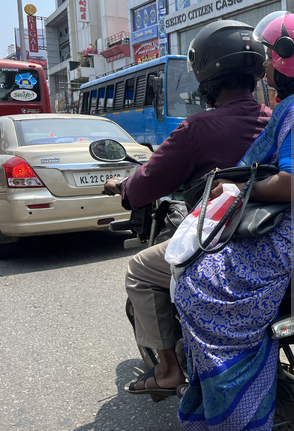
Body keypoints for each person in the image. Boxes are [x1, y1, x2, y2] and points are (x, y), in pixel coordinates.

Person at [172, 11, 294, 431]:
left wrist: (242, 191)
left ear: (287, 62)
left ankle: (238, 402)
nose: (265, 67)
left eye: (270, 56)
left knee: (196, 283)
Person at [103, 20, 273, 397]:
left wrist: (124, 188)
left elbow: (148, 180)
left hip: (222, 242)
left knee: (139, 269)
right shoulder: (279, 121)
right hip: (274, 239)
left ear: (206, 76)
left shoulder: (197, 128)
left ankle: (166, 370)